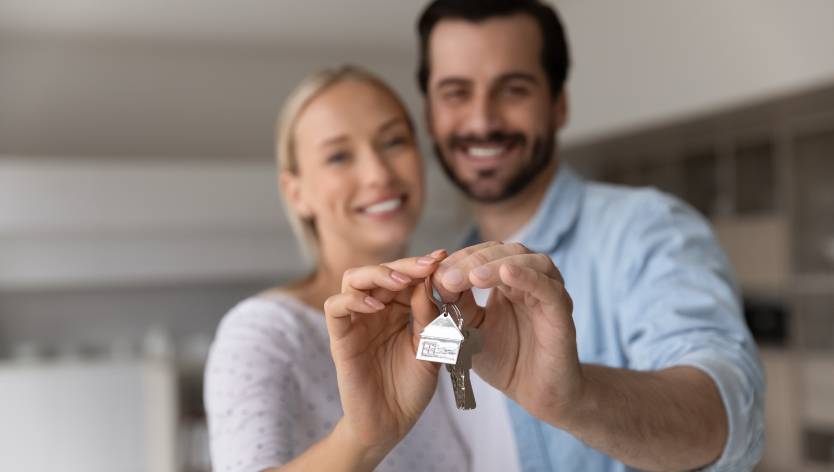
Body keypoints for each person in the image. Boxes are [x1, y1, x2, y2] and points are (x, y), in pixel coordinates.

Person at [411, 0, 764, 470]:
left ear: (558, 105)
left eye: (513, 89)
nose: (482, 120)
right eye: (456, 93)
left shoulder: (647, 228)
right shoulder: (439, 279)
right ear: (431, 114)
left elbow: (726, 409)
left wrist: (575, 398)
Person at [203, 66, 473, 471]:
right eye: (339, 156)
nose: (378, 173)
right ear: (297, 193)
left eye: (395, 141)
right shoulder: (262, 334)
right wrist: (363, 438)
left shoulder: (446, 315)